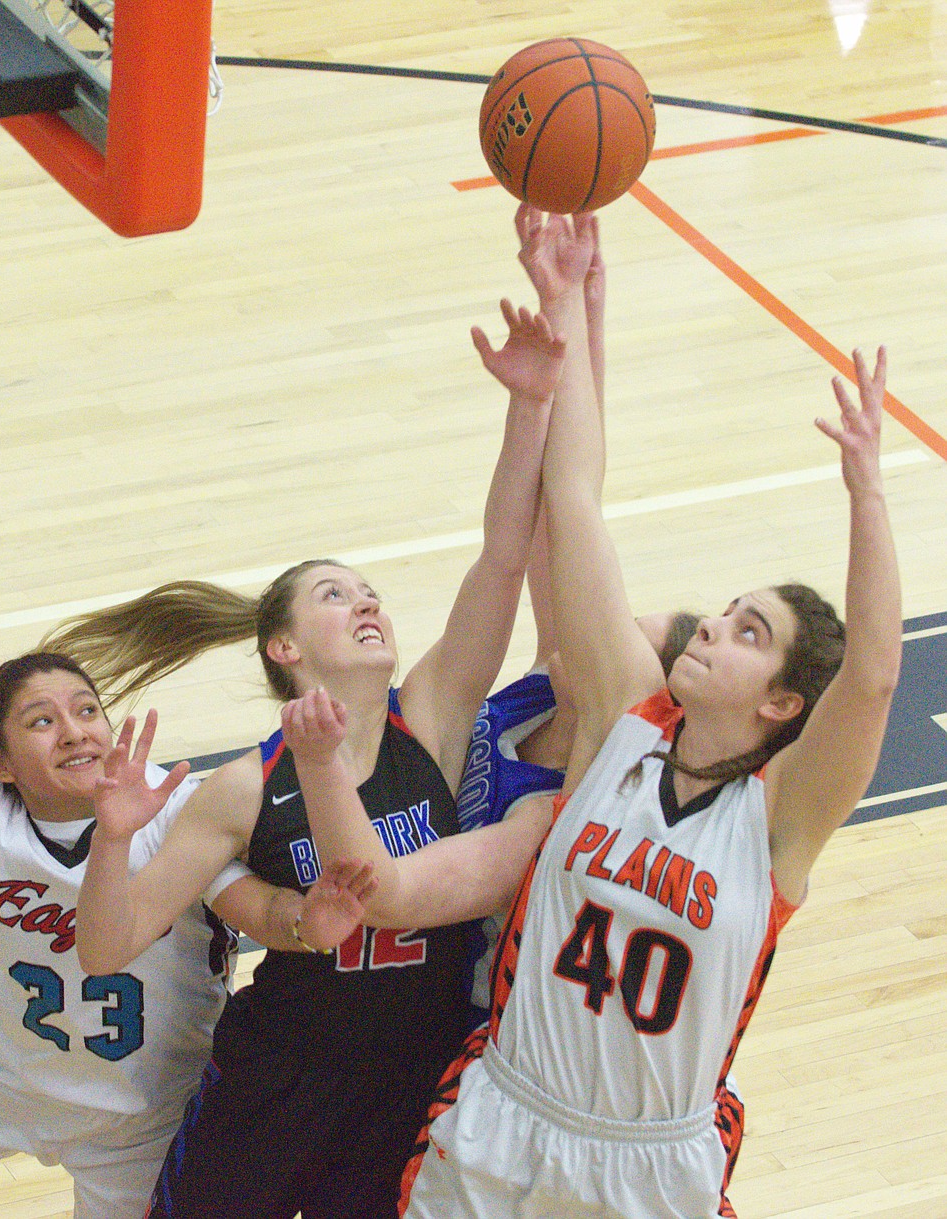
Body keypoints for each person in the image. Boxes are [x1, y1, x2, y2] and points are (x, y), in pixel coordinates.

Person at [288, 212, 901, 1219]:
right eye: (728, 614)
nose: (712, 628)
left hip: (649, 1164)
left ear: (784, 702)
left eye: (748, 632)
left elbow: (873, 677)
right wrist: (567, 295)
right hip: (505, 1118)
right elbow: (573, 502)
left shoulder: (783, 817)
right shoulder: (625, 717)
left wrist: (867, 492)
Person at [53, 300, 568, 1219]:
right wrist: (110, 840)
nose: (368, 602)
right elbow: (104, 944)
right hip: (279, 1080)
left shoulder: (434, 718)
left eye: (371, 593)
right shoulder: (244, 786)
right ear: (286, 649)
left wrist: (528, 406)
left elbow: (502, 556)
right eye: (336, 595)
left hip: (411, 1086)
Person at [0, 507, 374, 1219]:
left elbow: (257, 910)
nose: (74, 730)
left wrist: (306, 921)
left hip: (143, 1114)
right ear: (0, 763)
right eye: (42, 721)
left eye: (86, 710)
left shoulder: (177, 810)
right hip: (9, 1071)